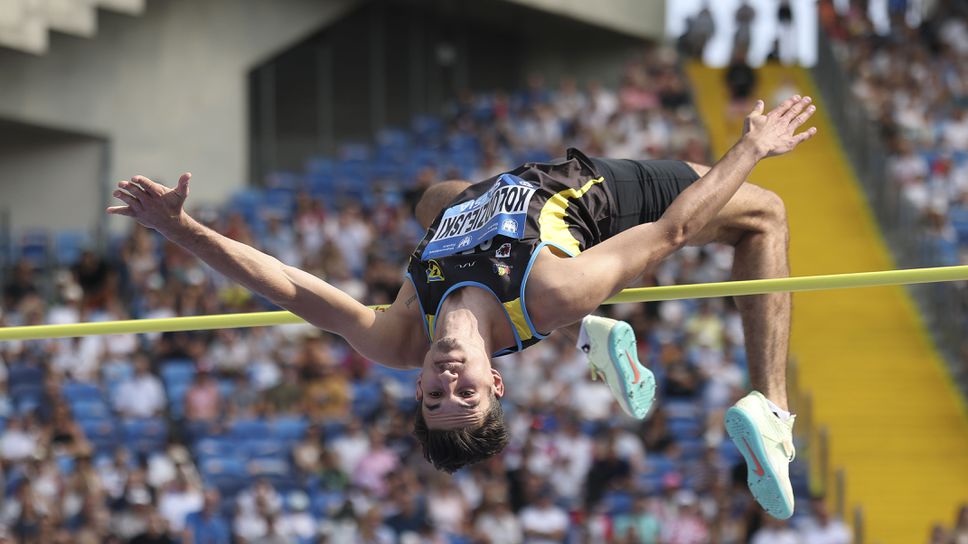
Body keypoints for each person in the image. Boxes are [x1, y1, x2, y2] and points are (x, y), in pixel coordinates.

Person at [107, 95, 818, 519]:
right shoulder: (549, 290)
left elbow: (289, 287)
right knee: (766, 218)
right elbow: (676, 232)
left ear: (416, 387)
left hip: (481, 199)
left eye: (436, 394)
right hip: (592, 200)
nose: (448, 376)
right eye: (467, 392)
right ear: (495, 383)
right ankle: (773, 409)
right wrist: (750, 147)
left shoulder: (397, 337)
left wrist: (179, 229)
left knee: (430, 200)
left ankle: (595, 339)